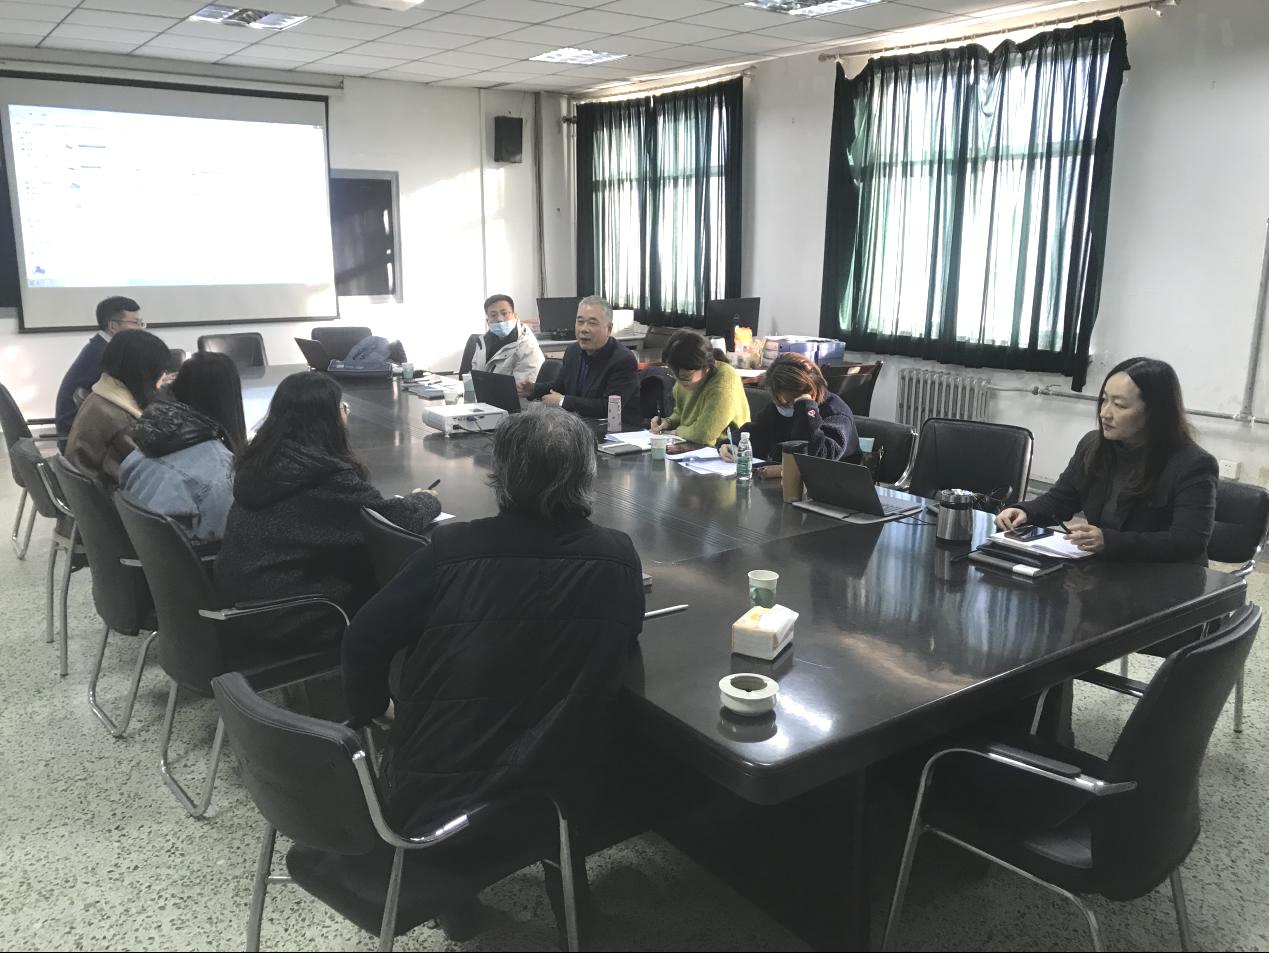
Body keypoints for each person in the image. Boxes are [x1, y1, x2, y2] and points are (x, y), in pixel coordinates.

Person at [342, 406, 645, 834]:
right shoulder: (618, 557)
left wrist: (376, 710)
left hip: (425, 802)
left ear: (500, 474)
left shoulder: (450, 549)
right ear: (588, 474)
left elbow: (362, 638)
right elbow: (625, 636)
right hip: (545, 803)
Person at [214, 372, 442, 649]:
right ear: (327, 419)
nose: (346, 413)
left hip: (246, 600)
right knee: (417, 585)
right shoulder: (322, 476)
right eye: (342, 407)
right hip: (289, 614)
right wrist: (427, 499)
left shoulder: (265, 461)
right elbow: (394, 521)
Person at [996, 357, 1217, 564]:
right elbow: (1061, 500)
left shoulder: (1193, 464)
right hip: (1110, 568)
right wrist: (1026, 512)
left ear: (1154, 412)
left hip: (1166, 576)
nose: (1104, 413)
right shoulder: (1093, 445)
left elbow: (1188, 543)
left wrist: (1109, 541)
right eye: (1104, 400)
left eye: (1119, 405)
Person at [118, 352, 247, 544]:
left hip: (145, 551)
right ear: (230, 398)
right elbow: (232, 538)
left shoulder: (145, 446)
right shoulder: (219, 472)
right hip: (189, 560)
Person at [64, 329, 170, 487]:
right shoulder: (123, 420)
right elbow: (152, 471)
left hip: (84, 488)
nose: (164, 376)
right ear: (144, 374)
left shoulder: (100, 394)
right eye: (161, 371)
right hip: (106, 495)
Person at [519, 295, 641, 429]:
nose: (584, 329)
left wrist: (563, 401)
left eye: (592, 323)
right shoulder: (573, 351)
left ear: (609, 328)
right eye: (580, 321)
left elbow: (608, 407)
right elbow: (560, 386)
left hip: (615, 431)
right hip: (578, 426)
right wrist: (533, 389)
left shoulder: (623, 360)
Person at [720, 352, 860, 463]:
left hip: (831, 485)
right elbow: (758, 431)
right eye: (778, 402)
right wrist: (733, 444)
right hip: (784, 480)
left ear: (810, 393)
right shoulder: (778, 407)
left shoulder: (836, 413)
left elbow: (815, 456)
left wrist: (805, 409)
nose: (782, 407)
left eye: (788, 403)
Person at [55, 296, 144, 441]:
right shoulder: (103, 353)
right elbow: (130, 391)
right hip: (79, 438)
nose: (140, 329)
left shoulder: (101, 347)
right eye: (135, 323)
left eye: (141, 323)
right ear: (113, 326)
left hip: (84, 430)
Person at [650, 329, 750, 447]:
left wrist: (676, 432)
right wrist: (668, 422)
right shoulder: (683, 377)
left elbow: (704, 434)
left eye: (686, 377)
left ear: (706, 367)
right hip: (690, 446)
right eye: (674, 375)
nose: (680, 382)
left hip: (723, 451)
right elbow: (681, 413)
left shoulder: (725, 381)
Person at [470, 294, 544, 385]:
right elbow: (474, 374)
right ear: (487, 321)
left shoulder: (527, 346)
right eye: (493, 315)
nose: (499, 319)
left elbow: (523, 387)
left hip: (509, 394)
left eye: (504, 313)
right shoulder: (483, 342)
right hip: (483, 392)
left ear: (515, 316)